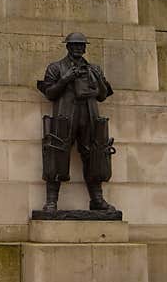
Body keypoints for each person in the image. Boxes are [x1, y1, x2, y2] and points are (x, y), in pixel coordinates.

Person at [36, 32, 117, 212]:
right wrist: (66, 79)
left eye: (81, 45)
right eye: (74, 45)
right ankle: (51, 201)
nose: (78, 48)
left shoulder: (94, 69)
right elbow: (50, 94)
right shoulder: (56, 68)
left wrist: (99, 80)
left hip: (89, 115)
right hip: (65, 116)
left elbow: (103, 96)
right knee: (56, 154)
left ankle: (97, 199)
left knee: (95, 156)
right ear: (68, 47)